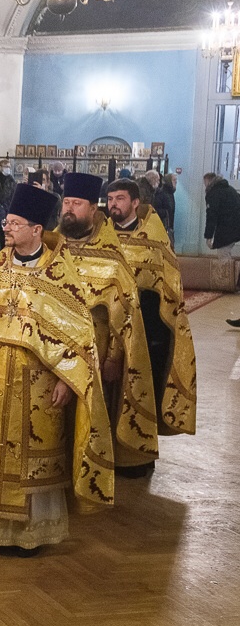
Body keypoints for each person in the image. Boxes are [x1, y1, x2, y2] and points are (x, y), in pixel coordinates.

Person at [0, 184, 114, 553]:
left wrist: (65, 378)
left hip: (40, 383)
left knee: (34, 454)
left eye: (14, 223)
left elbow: (78, 333)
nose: (6, 228)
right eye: (6, 222)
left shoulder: (59, 274)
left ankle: (29, 534)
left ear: (37, 229)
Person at [56, 174, 159, 473]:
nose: (69, 209)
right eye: (66, 202)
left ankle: (93, 464)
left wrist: (114, 356)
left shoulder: (110, 253)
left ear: (92, 208)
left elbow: (123, 310)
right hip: (53, 339)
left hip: (96, 344)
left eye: (76, 203)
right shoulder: (53, 243)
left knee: (94, 408)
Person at [107, 179, 197, 446]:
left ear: (135, 203)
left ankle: (137, 452)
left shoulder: (153, 238)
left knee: (140, 388)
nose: (113, 205)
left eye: (120, 199)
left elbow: (169, 283)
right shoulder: (100, 236)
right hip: (106, 327)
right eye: (110, 199)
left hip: (146, 324)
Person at [204, 172, 240, 268]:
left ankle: (227, 278)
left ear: (208, 181)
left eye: (205, 183)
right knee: (226, 252)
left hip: (227, 229)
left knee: (223, 253)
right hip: (235, 227)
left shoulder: (213, 193)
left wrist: (209, 236)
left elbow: (211, 216)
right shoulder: (230, 189)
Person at [154, 173, 177, 248]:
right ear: (169, 181)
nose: (176, 182)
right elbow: (156, 209)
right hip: (163, 227)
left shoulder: (170, 193)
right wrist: (166, 213)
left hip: (169, 226)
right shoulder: (161, 193)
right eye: (174, 180)